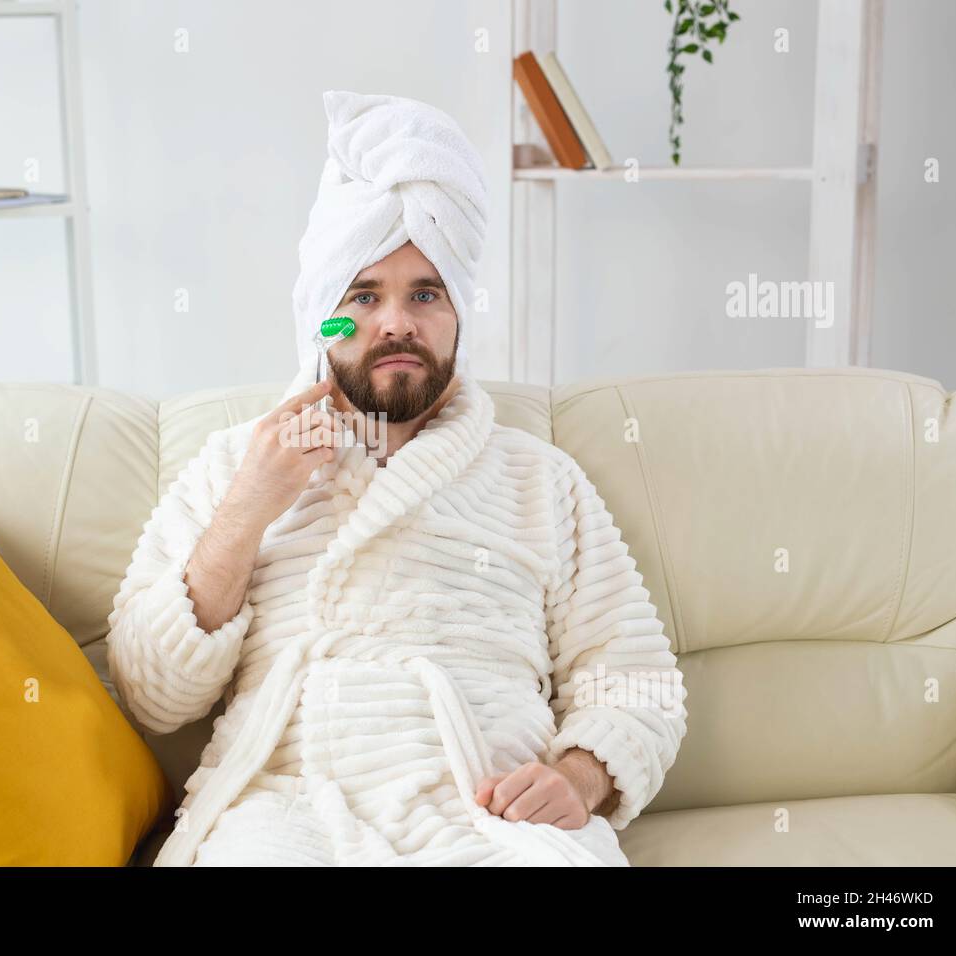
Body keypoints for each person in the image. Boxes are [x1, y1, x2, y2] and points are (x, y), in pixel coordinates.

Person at [107, 90, 687, 866]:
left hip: (487, 804)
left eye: (425, 295)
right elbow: (152, 692)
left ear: (457, 318)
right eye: (363, 297)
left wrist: (578, 779)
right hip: (288, 807)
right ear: (323, 319)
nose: (395, 323)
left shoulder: (539, 480)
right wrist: (249, 509)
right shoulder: (233, 465)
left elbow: (635, 676)